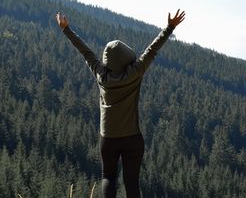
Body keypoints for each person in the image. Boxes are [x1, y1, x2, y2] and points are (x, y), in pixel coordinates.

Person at [56, 10, 186, 198]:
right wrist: (169, 27)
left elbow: (85, 51)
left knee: (108, 177)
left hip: (107, 137)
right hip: (132, 137)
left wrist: (66, 29)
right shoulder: (135, 72)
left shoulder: (101, 74)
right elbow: (152, 49)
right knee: (132, 181)